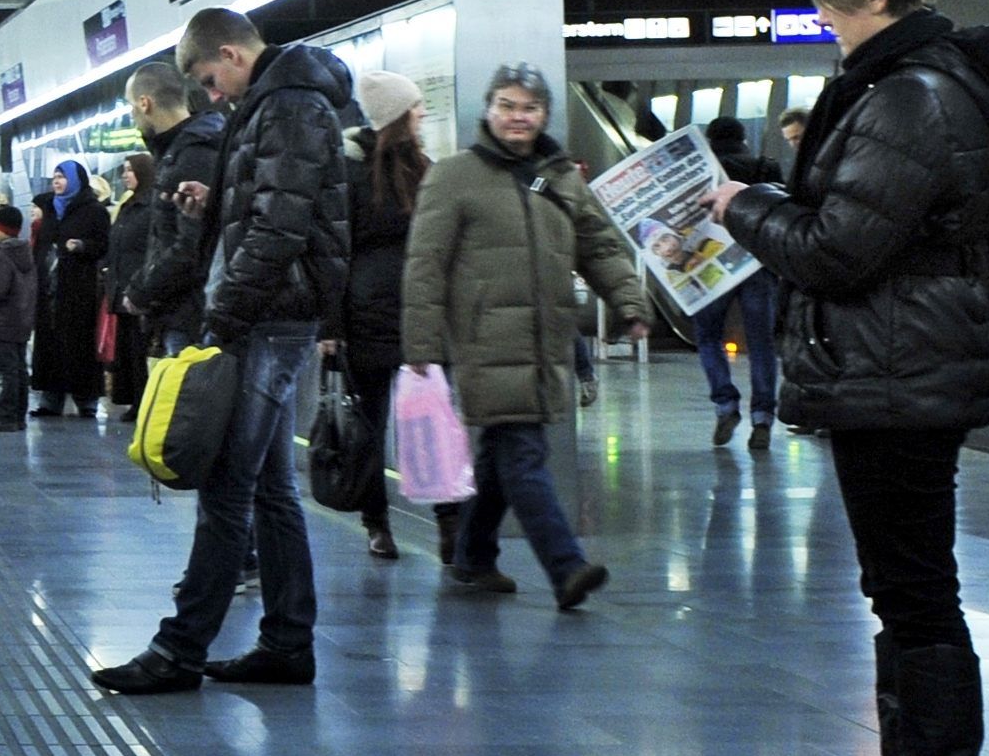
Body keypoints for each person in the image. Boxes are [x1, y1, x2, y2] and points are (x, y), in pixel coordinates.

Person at [711, 0, 989, 756]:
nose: (822, 12)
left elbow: (839, 249)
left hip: (900, 372)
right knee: (903, 592)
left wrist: (740, 206)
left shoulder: (907, 95)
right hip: (892, 367)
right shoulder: (906, 84)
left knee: (919, 594)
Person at [92, 9, 350, 694]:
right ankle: (287, 641)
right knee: (268, 488)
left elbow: (280, 225)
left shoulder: (287, 104)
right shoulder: (273, 102)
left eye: (211, 79)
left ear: (231, 54)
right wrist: (214, 204)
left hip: (267, 315)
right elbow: (272, 206)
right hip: (274, 311)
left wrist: (223, 315)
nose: (212, 94)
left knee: (228, 485)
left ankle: (179, 648)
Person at [401, 62, 649, 609]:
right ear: (488, 110)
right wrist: (420, 345)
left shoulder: (562, 178)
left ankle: (472, 556)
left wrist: (629, 303)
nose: (518, 117)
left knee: (501, 457)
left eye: (530, 108)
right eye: (508, 105)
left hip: (545, 340)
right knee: (523, 455)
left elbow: (600, 246)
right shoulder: (454, 175)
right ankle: (566, 568)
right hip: (484, 341)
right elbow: (426, 264)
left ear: (544, 115)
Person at [329, 70, 452, 561]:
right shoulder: (353, 174)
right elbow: (335, 253)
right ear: (397, 116)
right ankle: (377, 519)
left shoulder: (427, 168)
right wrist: (331, 327)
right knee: (374, 425)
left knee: (430, 419)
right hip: (370, 316)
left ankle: (445, 521)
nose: (422, 113)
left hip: (418, 310)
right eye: (416, 106)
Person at [123, 62, 225, 354]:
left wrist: (141, 291)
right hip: (182, 309)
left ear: (145, 103)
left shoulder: (191, 155)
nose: (133, 116)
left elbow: (189, 245)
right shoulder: (180, 151)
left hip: (190, 314)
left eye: (132, 107)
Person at [700, 115, 783, 452]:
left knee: (708, 337)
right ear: (743, 137)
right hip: (756, 265)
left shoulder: (703, 168)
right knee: (761, 343)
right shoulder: (766, 167)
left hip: (710, 267)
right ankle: (762, 417)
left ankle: (725, 405)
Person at [29, 160, 111, 419]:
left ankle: (86, 399)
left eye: (62, 177)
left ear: (76, 180)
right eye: (54, 177)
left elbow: (105, 245)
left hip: (79, 289)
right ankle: (50, 399)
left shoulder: (94, 211)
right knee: (50, 342)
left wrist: (83, 246)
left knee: (79, 343)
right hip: (50, 289)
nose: (56, 182)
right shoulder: (51, 209)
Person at [104, 152, 157, 419]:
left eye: (130, 170)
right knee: (128, 351)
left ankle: (143, 402)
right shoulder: (128, 206)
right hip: (122, 288)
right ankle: (134, 399)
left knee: (140, 350)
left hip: (140, 289)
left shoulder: (151, 207)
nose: (125, 175)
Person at [0, 205, 37, 431]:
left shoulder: (2, 256)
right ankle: (19, 416)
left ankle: (6, 417)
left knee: (9, 370)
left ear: (3, 229)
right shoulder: (25, 251)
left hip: (1, 322)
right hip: (21, 319)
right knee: (19, 370)